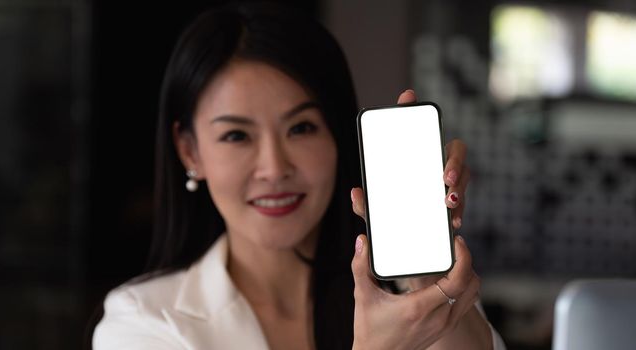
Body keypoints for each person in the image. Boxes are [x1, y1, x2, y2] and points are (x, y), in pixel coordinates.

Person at [93, 3, 505, 349]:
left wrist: (427, 274)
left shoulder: (415, 303)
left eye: (302, 128)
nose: (274, 168)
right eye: (236, 135)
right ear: (190, 150)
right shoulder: (142, 322)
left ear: (338, 136)